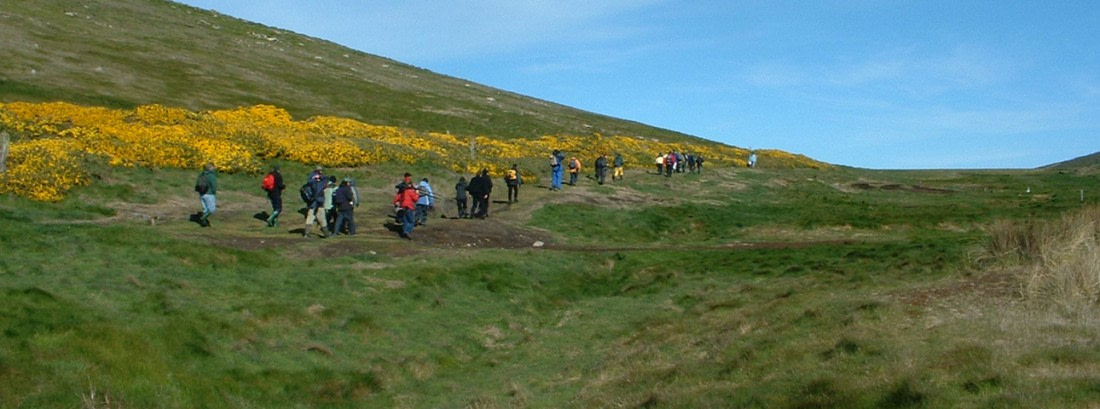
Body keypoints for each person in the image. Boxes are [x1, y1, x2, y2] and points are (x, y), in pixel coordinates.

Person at [303, 171, 328, 238]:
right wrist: (320, 176)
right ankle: (326, 234)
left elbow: (309, 180)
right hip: (319, 204)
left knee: (310, 218)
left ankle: (306, 233)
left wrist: (313, 177)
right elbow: (326, 178)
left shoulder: (311, 183)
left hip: (312, 204)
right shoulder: (320, 184)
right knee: (322, 219)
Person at [194, 162, 217, 227]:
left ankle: (204, 223)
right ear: (210, 168)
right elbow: (214, 185)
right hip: (209, 194)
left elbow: (197, 183)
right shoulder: (211, 175)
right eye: (213, 167)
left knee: (205, 209)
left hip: (201, 193)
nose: (214, 168)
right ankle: (203, 218)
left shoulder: (201, 174)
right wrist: (214, 192)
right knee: (211, 209)